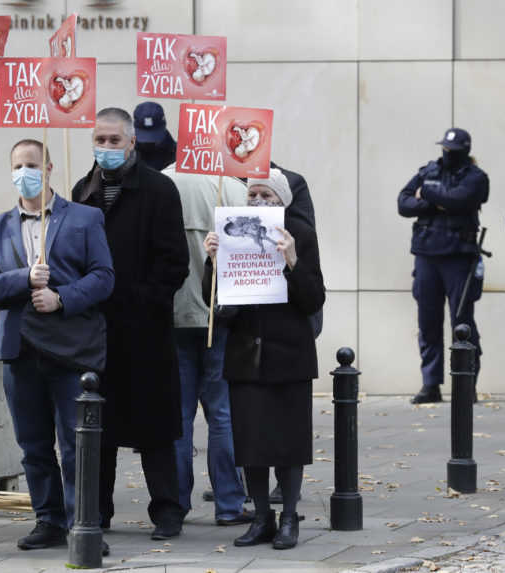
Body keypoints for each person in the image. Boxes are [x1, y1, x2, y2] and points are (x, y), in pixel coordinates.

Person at [0, 140, 114, 552]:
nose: (25, 172)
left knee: (75, 446)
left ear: (49, 167)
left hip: (70, 349)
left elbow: (104, 276)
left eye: (32, 164)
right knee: (33, 445)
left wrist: (62, 297)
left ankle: (82, 524)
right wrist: (23, 279)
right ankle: (47, 519)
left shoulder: (85, 219)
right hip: (20, 351)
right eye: (18, 165)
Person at [72, 107, 189, 540]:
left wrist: (142, 299)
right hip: (95, 331)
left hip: (145, 329)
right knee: (97, 426)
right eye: (99, 140)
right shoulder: (82, 190)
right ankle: (97, 512)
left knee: (154, 428)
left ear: (132, 142)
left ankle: (168, 510)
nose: (105, 149)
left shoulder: (159, 189)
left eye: (114, 141)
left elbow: (174, 263)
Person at [202, 168, 326, 550]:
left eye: (267, 196)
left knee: (288, 443)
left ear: (282, 201)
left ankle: (289, 517)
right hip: (245, 355)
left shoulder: (299, 235)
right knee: (251, 444)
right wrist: (214, 262)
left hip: (288, 354)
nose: (258, 202)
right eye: (253, 195)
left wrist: (291, 261)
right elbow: (215, 305)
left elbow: (313, 298)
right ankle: (261, 517)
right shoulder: (233, 232)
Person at [161, 166, 252, 526]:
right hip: (221, 315)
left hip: (175, 314)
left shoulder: (163, 183)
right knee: (223, 415)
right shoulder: (232, 188)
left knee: (179, 419)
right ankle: (229, 504)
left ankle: (177, 502)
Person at [397, 128, 489, 404]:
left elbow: (461, 199)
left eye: (453, 149)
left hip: (459, 258)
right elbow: (403, 203)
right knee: (428, 323)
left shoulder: (476, 177)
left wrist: (426, 194)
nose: (447, 153)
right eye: (444, 148)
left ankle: (466, 383)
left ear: (464, 149)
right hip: (427, 256)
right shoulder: (428, 170)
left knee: (462, 322)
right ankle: (431, 384)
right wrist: (437, 201)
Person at [133, 101, 177, 171]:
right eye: (144, 135)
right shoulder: (125, 153)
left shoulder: (178, 154)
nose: (149, 142)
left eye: (154, 136)